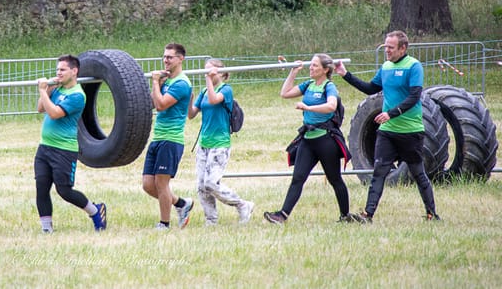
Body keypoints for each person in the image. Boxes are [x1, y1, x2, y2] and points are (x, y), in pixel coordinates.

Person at [335, 30, 440, 223]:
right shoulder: (385, 67)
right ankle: (368, 215)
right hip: (387, 132)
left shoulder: (413, 66)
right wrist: (345, 75)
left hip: (410, 131)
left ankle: (432, 214)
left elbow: (414, 96)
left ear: (403, 48)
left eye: (391, 48)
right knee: (378, 173)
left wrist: (391, 113)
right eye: (385, 47)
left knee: (418, 173)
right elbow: (370, 89)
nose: (387, 51)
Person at [264, 54, 355, 224]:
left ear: (325, 70)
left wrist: (307, 107)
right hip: (308, 139)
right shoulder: (309, 84)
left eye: (314, 66)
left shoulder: (329, 86)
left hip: (326, 140)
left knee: (335, 179)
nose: (310, 68)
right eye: (311, 65)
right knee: (298, 178)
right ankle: (282, 215)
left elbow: (331, 106)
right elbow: (285, 93)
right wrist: (293, 72)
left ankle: (345, 216)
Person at [34, 54, 106, 233]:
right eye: (57, 69)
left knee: (64, 191)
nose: (58, 73)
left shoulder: (77, 95)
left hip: (64, 150)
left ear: (74, 71)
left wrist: (43, 91)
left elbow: (54, 113)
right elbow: (40, 108)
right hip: (44, 147)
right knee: (41, 188)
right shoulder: (57, 89)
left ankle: (95, 211)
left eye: (63, 70)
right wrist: (49, 89)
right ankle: (46, 229)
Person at [188, 59, 254, 226]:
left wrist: (209, 81)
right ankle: (211, 219)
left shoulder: (226, 90)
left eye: (212, 71)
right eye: (206, 71)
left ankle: (242, 205)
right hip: (204, 144)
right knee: (202, 187)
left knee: (211, 183)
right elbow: (191, 114)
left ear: (222, 73)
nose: (207, 74)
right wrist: (190, 99)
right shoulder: (204, 91)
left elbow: (213, 100)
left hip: (220, 143)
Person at [142, 43, 194, 230]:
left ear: (180, 59)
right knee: (148, 185)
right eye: (164, 57)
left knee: (162, 183)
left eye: (170, 57)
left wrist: (156, 83)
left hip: (171, 139)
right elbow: (152, 103)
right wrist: (158, 85)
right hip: (157, 137)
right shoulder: (167, 81)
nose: (165, 60)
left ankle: (164, 223)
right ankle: (181, 204)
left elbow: (162, 105)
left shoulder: (181, 83)